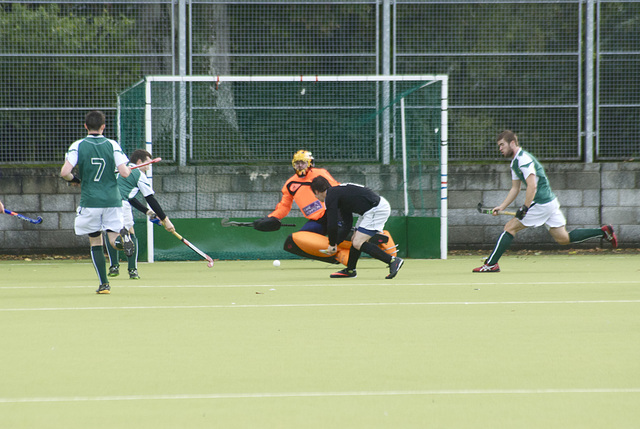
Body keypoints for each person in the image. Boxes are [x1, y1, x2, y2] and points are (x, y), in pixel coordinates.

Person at [473, 130, 618, 273]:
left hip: (541, 202)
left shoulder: (523, 159)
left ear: (512, 143)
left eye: (502, 145)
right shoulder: (515, 163)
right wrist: (501, 206)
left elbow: (532, 185)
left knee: (510, 227)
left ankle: (491, 264)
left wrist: (525, 207)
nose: (500, 149)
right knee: (563, 238)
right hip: (549, 202)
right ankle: (603, 232)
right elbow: (515, 189)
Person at [60, 110, 135, 294]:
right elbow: (125, 173)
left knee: (95, 242)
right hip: (112, 200)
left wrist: (75, 180)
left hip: (91, 201)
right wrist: (127, 170)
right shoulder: (112, 144)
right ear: (103, 126)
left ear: (85, 126)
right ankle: (123, 240)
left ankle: (104, 285)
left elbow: (64, 172)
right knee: (112, 239)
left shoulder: (78, 145)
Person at [310, 176, 404, 279]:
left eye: (314, 194)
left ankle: (392, 260)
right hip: (368, 211)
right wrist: (336, 243)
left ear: (317, 191)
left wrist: (332, 244)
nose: (316, 197)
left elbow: (331, 224)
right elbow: (347, 224)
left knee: (357, 242)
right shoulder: (339, 193)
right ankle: (350, 270)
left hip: (376, 209)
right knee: (354, 239)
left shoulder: (331, 196)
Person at [105, 149, 175, 279]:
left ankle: (114, 266)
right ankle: (132, 270)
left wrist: (147, 212)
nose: (149, 167)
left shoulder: (119, 169)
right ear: (139, 162)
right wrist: (166, 220)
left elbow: (129, 196)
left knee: (110, 233)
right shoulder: (139, 174)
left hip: (105, 203)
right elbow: (150, 198)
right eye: (147, 163)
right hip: (121, 205)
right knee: (130, 233)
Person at [253, 150, 340, 234]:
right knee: (298, 240)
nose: (300, 166)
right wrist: (272, 217)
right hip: (316, 221)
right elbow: (284, 206)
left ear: (309, 163)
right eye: (297, 163)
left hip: (333, 214)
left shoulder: (320, 173)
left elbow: (337, 190)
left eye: (303, 163)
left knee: (341, 233)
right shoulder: (290, 184)